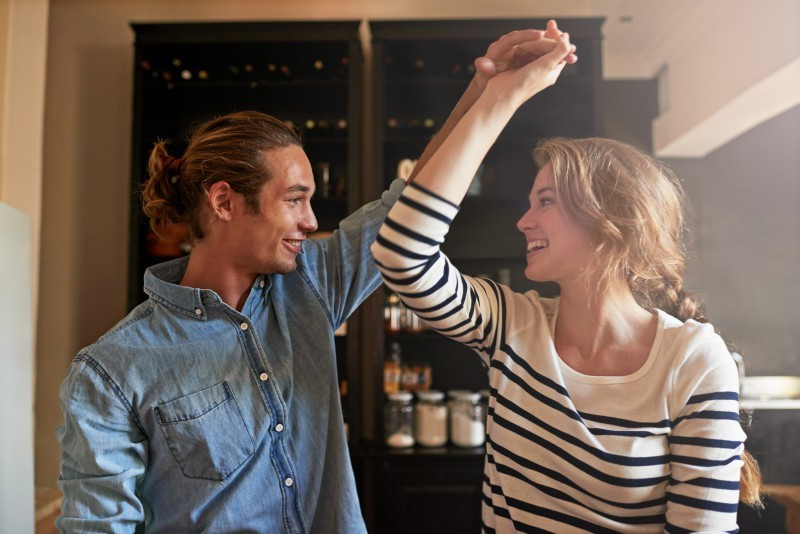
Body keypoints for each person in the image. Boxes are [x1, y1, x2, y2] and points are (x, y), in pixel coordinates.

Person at [55, 26, 573, 533]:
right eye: (294, 199)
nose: (309, 220)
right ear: (224, 202)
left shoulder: (310, 285)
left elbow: (411, 200)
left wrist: (482, 88)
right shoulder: (111, 372)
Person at [371, 24, 760, 533]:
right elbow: (400, 251)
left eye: (546, 201)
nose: (523, 221)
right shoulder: (512, 326)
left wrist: (506, 94)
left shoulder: (692, 361)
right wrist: (495, 98)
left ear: (612, 221)